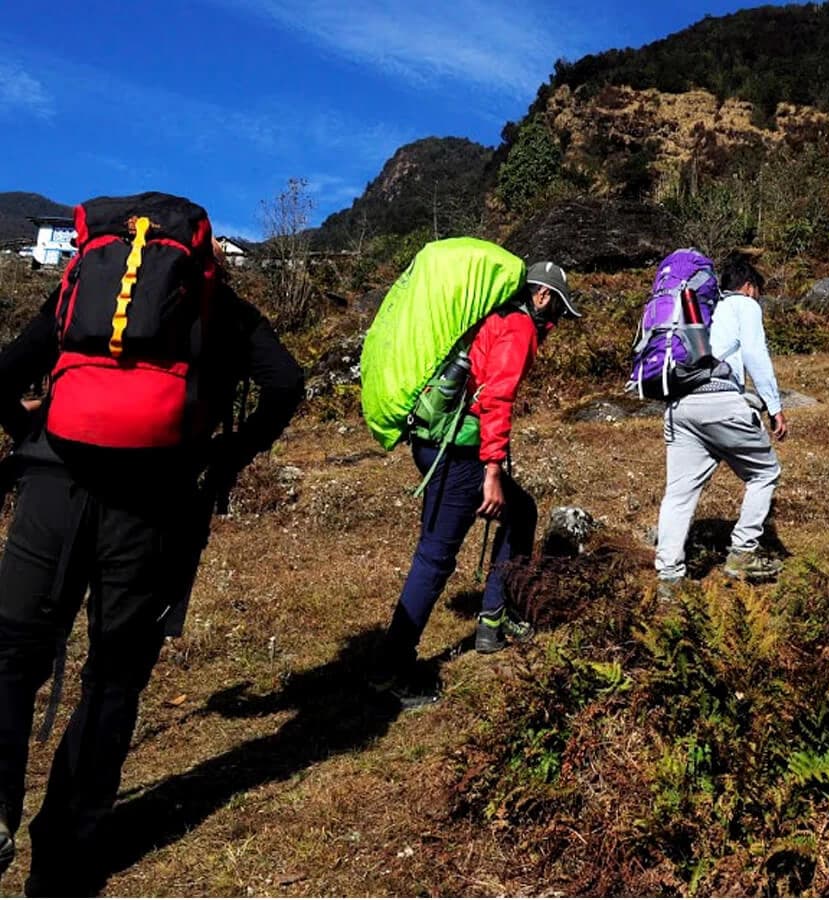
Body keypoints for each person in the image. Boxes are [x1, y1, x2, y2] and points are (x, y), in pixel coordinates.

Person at [0, 230, 304, 896]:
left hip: (53, 483)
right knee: (113, 677)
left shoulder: (84, 292)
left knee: (11, 659)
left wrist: (31, 436)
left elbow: (3, 373)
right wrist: (229, 454)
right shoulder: (219, 306)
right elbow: (286, 382)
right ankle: (61, 861)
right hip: (154, 503)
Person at [372, 261, 581, 706]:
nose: (557, 323)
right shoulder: (520, 325)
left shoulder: (489, 315)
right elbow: (495, 397)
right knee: (435, 556)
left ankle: (493, 618)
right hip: (461, 453)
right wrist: (491, 471)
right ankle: (394, 671)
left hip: (442, 443)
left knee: (520, 511)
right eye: (559, 310)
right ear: (542, 296)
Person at [654, 253, 787, 594]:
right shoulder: (744, 306)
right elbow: (756, 354)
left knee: (679, 495)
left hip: (680, 406)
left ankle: (668, 579)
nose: (759, 298)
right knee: (764, 473)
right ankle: (742, 553)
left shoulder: (700, 310)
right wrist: (774, 407)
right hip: (721, 401)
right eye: (758, 291)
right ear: (747, 287)